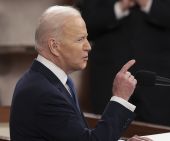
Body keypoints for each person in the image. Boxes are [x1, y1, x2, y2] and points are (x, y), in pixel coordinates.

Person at [9, 5, 151, 141]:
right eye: (80, 39)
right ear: (54, 46)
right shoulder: (43, 92)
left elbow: (80, 136)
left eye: (86, 38)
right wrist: (121, 98)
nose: (88, 46)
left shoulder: (56, 81)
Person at [75, 0, 170, 127]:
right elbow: (85, 24)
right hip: (109, 79)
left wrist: (146, 3)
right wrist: (120, 7)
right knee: (108, 131)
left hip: (159, 83)